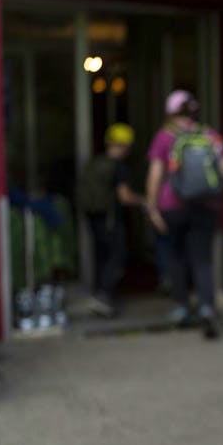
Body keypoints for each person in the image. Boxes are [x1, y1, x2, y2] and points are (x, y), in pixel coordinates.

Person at [145, 90, 223, 340]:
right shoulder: (209, 135)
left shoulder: (164, 137)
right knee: (202, 259)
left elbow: (155, 174)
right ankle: (206, 307)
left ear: (170, 113)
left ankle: (182, 307)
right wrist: (208, 187)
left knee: (176, 256)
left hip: (173, 206)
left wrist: (152, 208)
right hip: (205, 205)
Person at [78, 123, 144, 317]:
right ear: (125, 146)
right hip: (110, 218)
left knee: (102, 256)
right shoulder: (118, 168)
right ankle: (104, 296)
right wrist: (144, 200)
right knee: (116, 256)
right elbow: (125, 197)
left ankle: (99, 294)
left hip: (93, 217)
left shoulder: (95, 162)